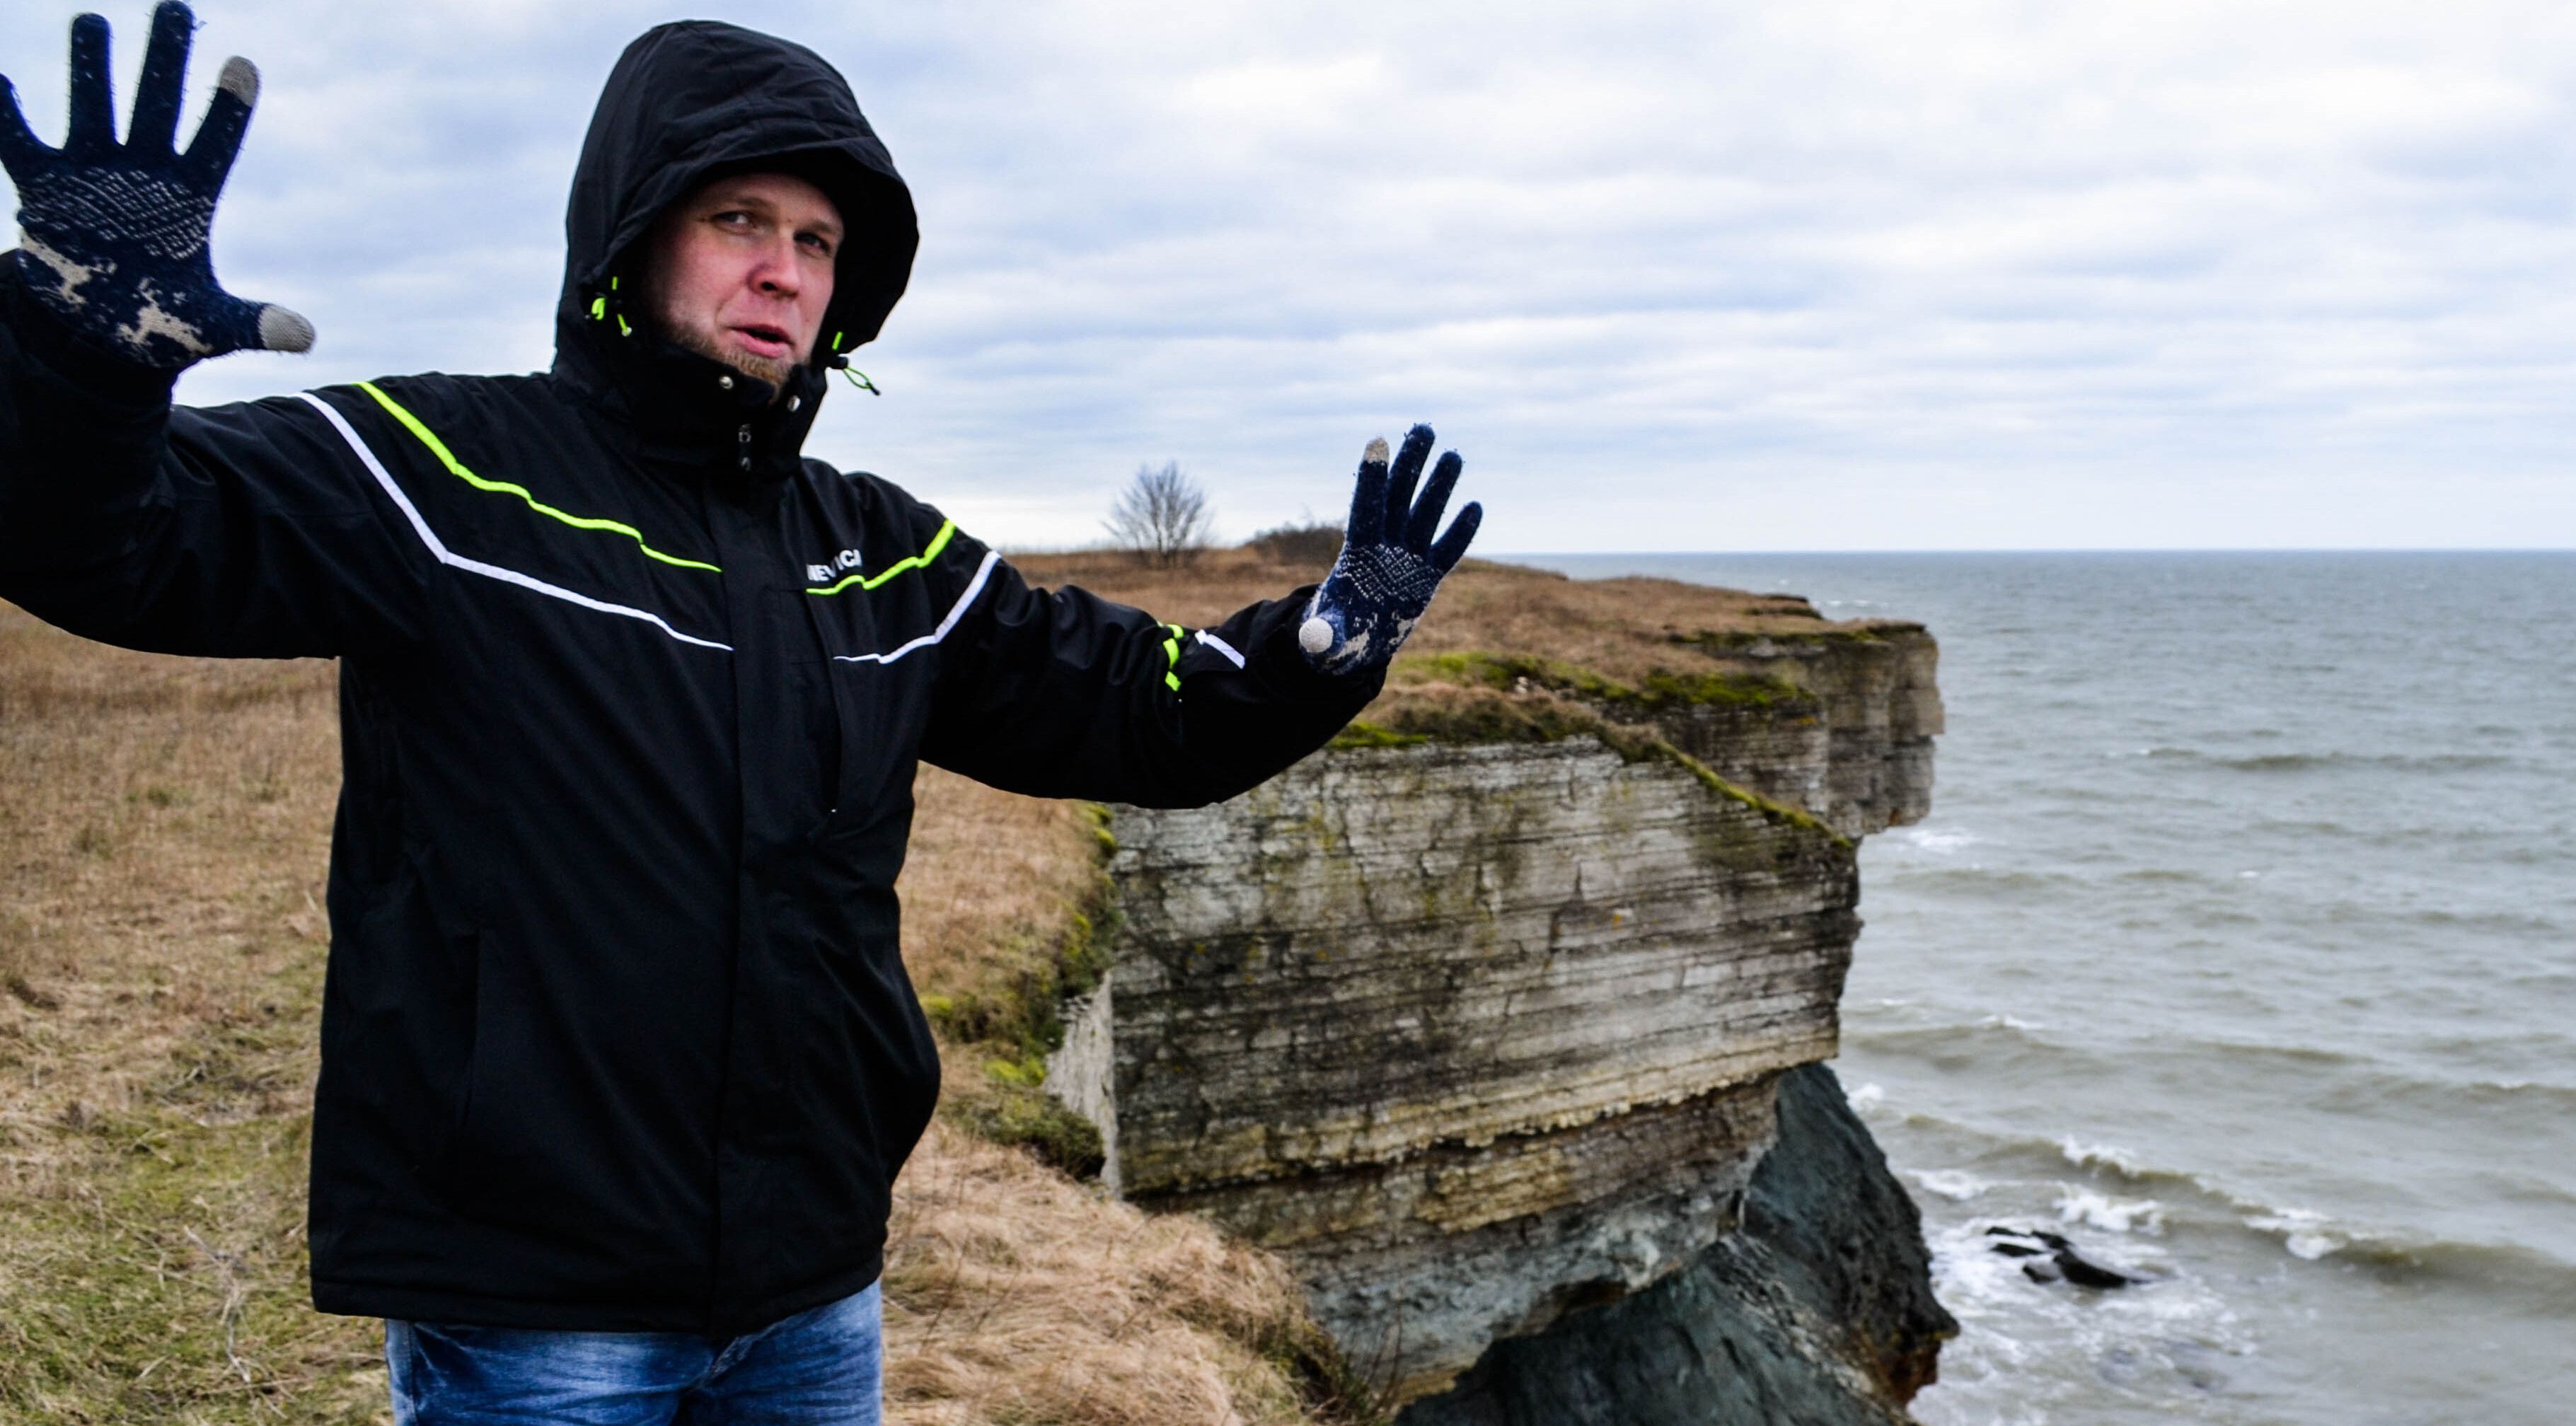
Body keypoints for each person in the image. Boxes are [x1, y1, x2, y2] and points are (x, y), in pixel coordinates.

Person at [0, 6, 1482, 1422]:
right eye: (740, 222)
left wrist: (1321, 646)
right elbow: (117, 545)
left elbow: (1141, 714)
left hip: (808, 1289)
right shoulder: (439, 475)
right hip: (535, 1310)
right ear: (636, 235)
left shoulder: (883, 551)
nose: (784, 271)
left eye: (819, 242)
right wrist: (77, 363)